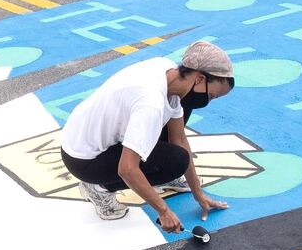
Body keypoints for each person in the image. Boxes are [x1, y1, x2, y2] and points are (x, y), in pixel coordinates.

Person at [60, 41, 234, 233]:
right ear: (200, 78)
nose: (208, 101)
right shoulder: (150, 103)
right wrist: (164, 211)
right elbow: (127, 168)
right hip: (84, 159)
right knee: (175, 161)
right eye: (212, 97)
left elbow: (179, 140)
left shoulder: (167, 71)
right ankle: (98, 188)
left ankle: (160, 175)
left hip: (82, 136)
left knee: (185, 111)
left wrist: (198, 194)